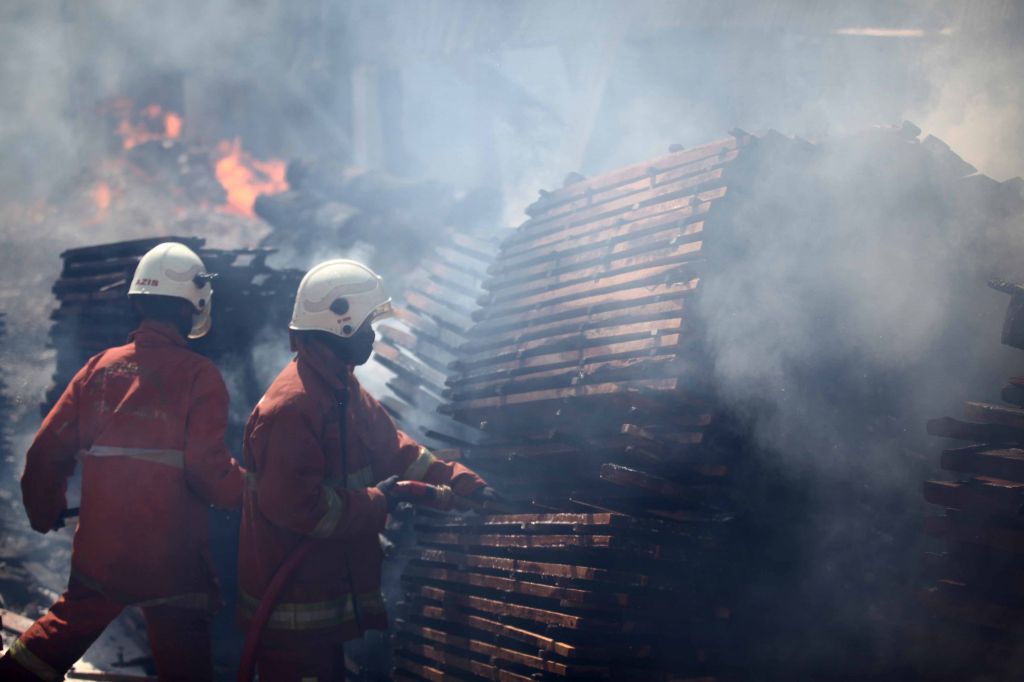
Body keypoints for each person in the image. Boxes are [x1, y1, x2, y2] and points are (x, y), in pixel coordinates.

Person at [238, 259, 498, 681]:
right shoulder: (291, 408)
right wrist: (380, 500)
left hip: (325, 594)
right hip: (291, 608)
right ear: (338, 325)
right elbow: (297, 507)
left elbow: (396, 451)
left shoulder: (343, 390)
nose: (372, 336)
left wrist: (459, 481)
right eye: (364, 326)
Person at [0, 242, 244, 681]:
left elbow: (46, 452)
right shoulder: (198, 376)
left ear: (138, 302)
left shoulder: (100, 368)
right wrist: (243, 491)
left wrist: (44, 509)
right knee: (185, 659)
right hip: (173, 558)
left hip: (103, 549)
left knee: (59, 633)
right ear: (193, 307)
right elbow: (209, 469)